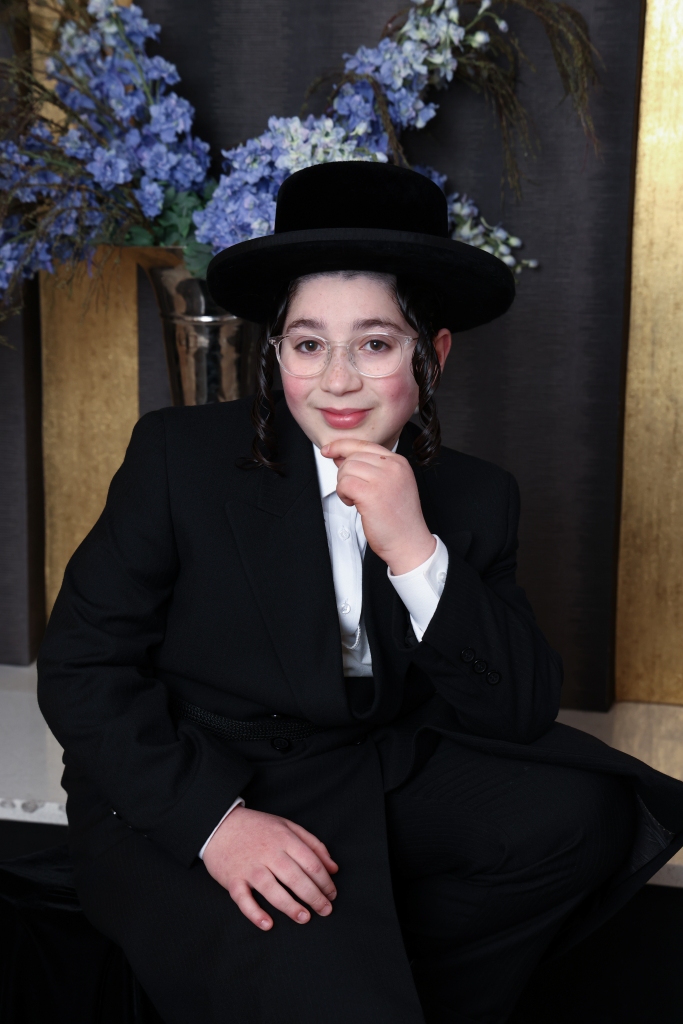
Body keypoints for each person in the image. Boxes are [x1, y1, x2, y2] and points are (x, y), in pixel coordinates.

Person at [38, 161, 683, 1024]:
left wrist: (414, 549)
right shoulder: (177, 457)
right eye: (308, 345)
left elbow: (519, 709)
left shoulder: (476, 494)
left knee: (583, 816)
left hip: (360, 765)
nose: (336, 380)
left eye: (374, 344)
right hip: (195, 772)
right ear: (275, 352)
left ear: (432, 355)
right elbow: (82, 668)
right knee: (329, 989)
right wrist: (215, 825)